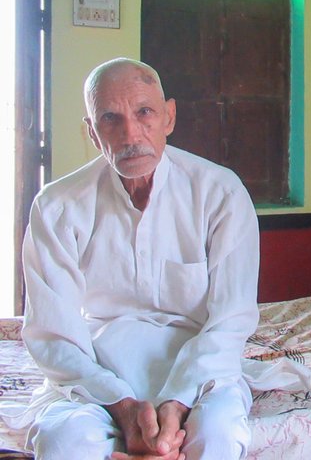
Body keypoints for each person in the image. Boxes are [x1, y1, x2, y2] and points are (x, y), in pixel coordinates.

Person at [20, 57, 264, 459]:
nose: (131, 134)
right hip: (97, 371)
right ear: (93, 134)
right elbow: (53, 333)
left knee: (218, 436)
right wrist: (120, 405)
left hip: (200, 371)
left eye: (144, 112)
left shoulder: (220, 193)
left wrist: (177, 403)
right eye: (110, 119)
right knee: (64, 442)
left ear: (169, 117)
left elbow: (231, 319)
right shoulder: (57, 206)